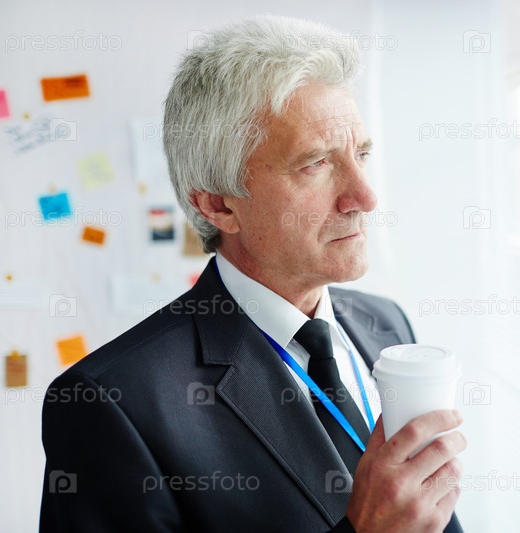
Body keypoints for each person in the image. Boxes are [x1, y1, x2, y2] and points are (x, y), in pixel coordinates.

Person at [39, 14, 465, 533]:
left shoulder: (387, 324)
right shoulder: (110, 403)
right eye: (315, 164)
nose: (366, 197)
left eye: (361, 154)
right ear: (218, 205)